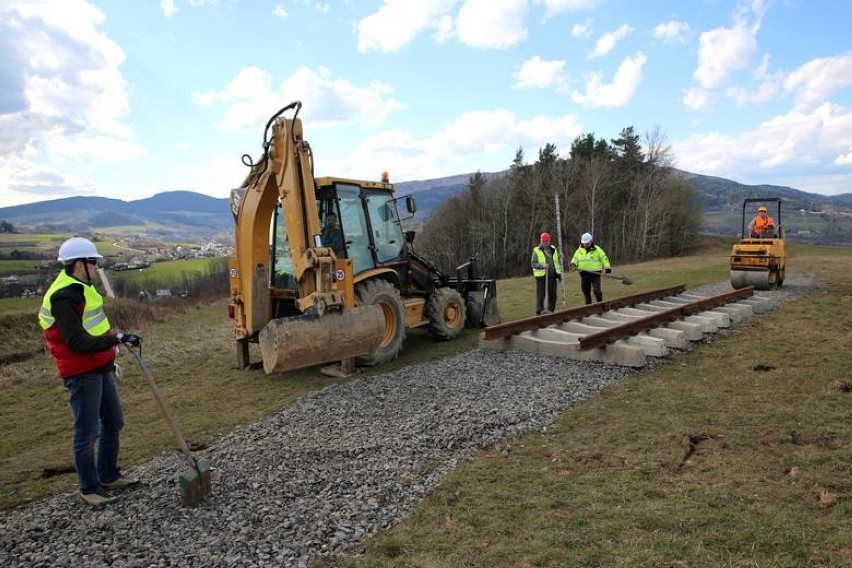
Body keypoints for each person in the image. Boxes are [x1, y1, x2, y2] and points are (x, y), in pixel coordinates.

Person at [38, 237, 143, 508]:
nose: (97, 267)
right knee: (87, 432)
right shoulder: (64, 296)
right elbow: (76, 342)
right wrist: (113, 340)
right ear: (79, 264)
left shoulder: (84, 289)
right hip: (81, 372)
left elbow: (96, 327)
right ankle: (89, 487)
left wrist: (120, 336)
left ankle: (109, 475)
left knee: (114, 422)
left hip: (100, 364)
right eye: (94, 262)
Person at [569, 232, 611, 305]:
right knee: (586, 292)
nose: (585, 245)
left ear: (591, 241)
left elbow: (604, 259)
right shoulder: (579, 250)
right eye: (584, 243)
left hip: (595, 274)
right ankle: (588, 307)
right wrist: (573, 265)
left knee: (597, 291)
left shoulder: (598, 250)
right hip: (584, 274)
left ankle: (600, 304)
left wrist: (608, 270)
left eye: (587, 243)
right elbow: (574, 259)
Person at [530, 232, 562, 314]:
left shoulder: (553, 249)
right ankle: (539, 313)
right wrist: (542, 265)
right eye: (543, 242)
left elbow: (555, 261)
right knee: (541, 297)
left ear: (549, 241)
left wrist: (560, 256)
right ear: (541, 241)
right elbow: (533, 263)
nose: (544, 243)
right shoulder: (536, 251)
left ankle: (550, 312)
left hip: (552, 277)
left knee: (553, 296)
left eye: (546, 242)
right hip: (541, 278)